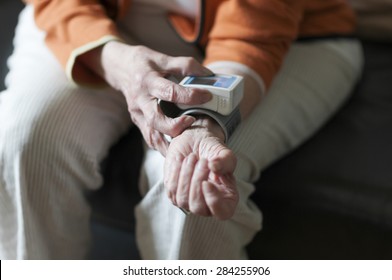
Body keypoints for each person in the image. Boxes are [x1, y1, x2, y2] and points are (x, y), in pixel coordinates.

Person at [0, 0, 363, 259]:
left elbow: (253, 33)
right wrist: (113, 60)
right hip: (94, 21)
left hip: (284, 34)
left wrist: (205, 124)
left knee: (194, 181)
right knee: (21, 142)